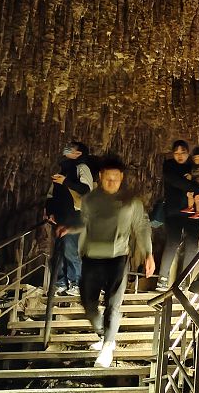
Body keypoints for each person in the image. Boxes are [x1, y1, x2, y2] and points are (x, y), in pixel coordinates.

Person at [57, 156, 154, 368]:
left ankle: (108, 345)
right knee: (89, 304)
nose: (112, 182)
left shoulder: (130, 202)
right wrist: (70, 228)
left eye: (116, 179)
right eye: (108, 178)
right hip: (92, 257)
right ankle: (104, 334)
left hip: (117, 257)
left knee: (113, 304)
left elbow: (141, 226)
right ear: (100, 177)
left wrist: (148, 253)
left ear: (122, 178)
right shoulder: (90, 200)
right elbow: (86, 222)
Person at [44, 141, 95, 296]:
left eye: (70, 149)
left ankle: (76, 282)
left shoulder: (82, 168)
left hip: (76, 215)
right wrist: (50, 211)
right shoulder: (62, 170)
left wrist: (65, 182)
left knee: (71, 250)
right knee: (59, 251)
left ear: (78, 153)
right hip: (60, 216)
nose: (66, 149)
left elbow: (86, 189)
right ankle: (60, 282)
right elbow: (51, 194)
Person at [158, 140, 199, 287]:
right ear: (172, 153)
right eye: (176, 152)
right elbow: (176, 181)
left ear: (188, 153)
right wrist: (197, 189)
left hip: (194, 211)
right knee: (173, 241)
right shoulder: (169, 166)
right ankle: (163, 278)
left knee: (191, 245)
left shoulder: (194, 166)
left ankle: (184, 279)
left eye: (183, 152)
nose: (179, 155)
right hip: (175, 210)